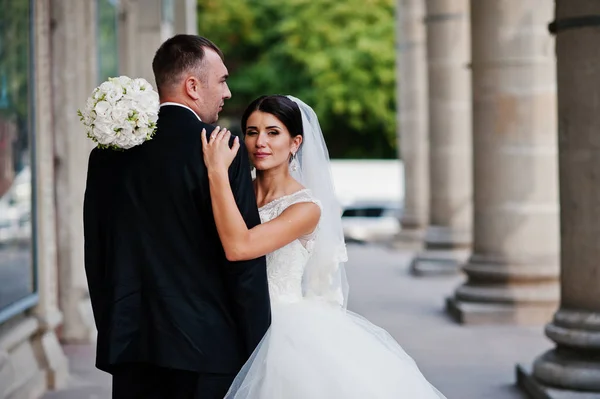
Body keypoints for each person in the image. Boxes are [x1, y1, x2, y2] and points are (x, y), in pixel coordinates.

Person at [201, 94, 446, 398]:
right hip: (223, 319)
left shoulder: (305, 208)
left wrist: (216, 172)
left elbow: (241, 247)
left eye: (273, 132)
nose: (260, 141)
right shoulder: (237, 192)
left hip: (280, 330)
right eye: (252, 132)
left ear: (295, 142)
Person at [83, 35, 271, 399]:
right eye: (222, 80)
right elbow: (244, 264)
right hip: (209, 350)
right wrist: (258, 348)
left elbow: (97, 253)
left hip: (130, 345)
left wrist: (113, 329)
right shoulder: (221, 148)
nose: (228, 93)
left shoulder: (106, 154)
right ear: (192, 86)